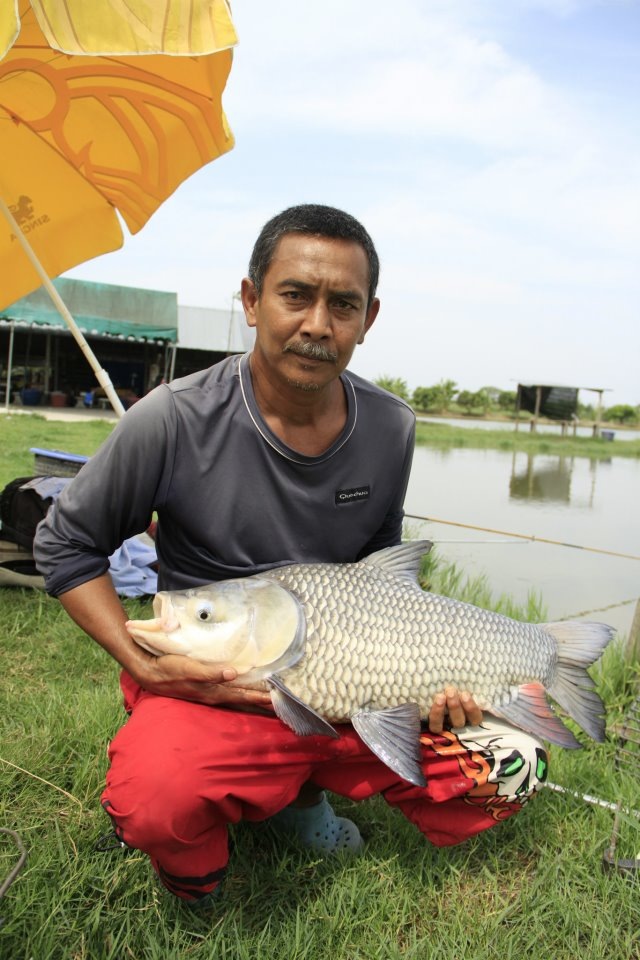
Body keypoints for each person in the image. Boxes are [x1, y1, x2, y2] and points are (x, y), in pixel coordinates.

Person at [34, 204, 547, 908]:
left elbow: (380, 572)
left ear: (368, 319)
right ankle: (203, 868)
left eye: (343, 304)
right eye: (295, 295)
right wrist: (143, 660)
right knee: (152, 797)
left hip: (351, 685)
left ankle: (296, 796)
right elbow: (66, 545)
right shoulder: (174, 416)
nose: (317, 325)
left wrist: (436, 683)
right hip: (222, 687)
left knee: (515, 765)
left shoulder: (392, 426)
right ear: (250, 301)